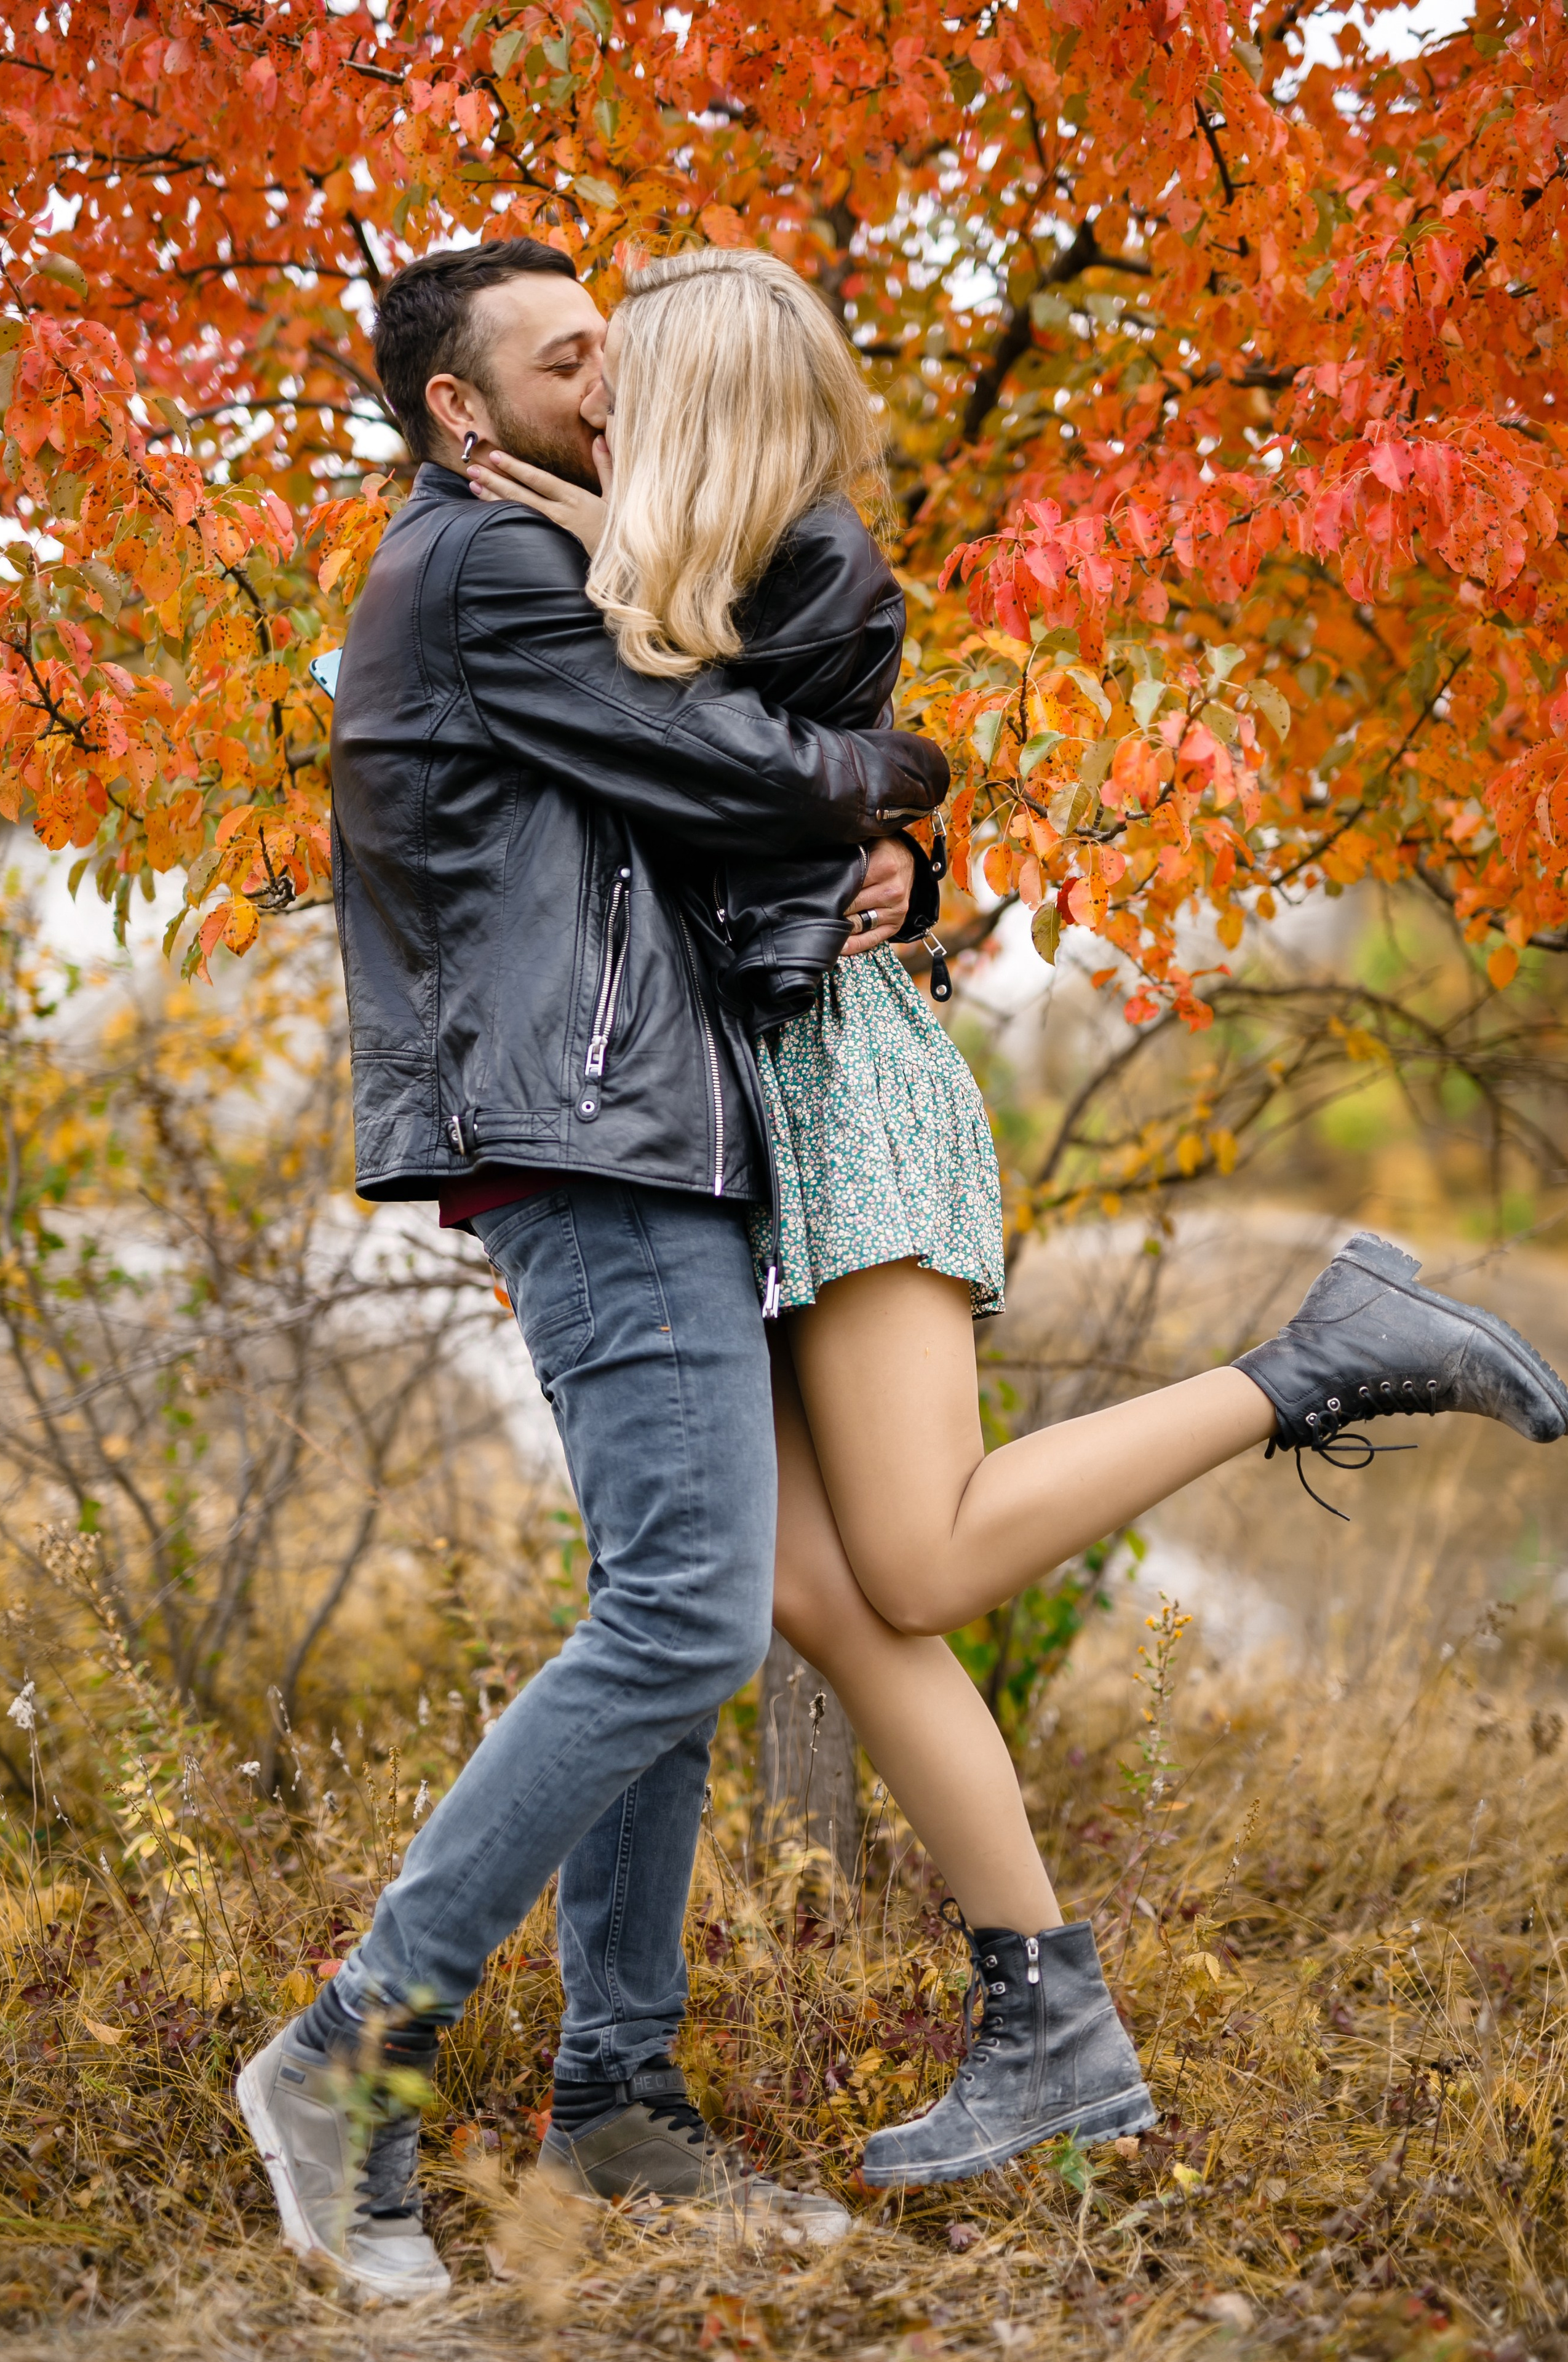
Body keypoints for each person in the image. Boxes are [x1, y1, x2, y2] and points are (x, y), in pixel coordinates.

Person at [467, 245, 1568, 2193]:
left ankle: (1318, 1361)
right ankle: (1049, 2028)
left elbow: (713, 755)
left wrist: (890, 823)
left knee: (925, 1555)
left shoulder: (805, 564)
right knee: (813, 1588)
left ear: (707, 399)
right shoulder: (700, 579)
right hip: (761, 1124)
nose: (602, 410)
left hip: (845, 1101)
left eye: (631, 382)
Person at [234, 236, 947, 2300]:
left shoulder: (576, 565)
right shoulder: (481, 571)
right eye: (573, 367)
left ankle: (618, 2113)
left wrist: (899, 843)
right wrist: (903, 777)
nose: (617, 394)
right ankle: (345, 2051)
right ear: (464, 411)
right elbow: (733, 768)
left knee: (675, 1618)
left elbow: (734, 803)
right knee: (683, 1614)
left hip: (645, 1133)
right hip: (592, 1140)